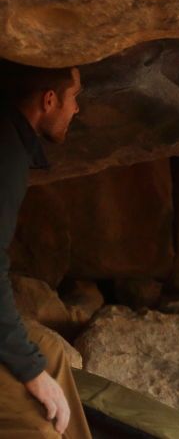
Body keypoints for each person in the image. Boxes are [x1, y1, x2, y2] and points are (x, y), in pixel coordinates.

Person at [0, 60, 90, 438]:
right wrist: (31, 373)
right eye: (74, 98)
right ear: (49, 100)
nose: (78, 109)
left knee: (51, 350)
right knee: (38, 421)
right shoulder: (5, 155)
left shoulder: (14, 142)